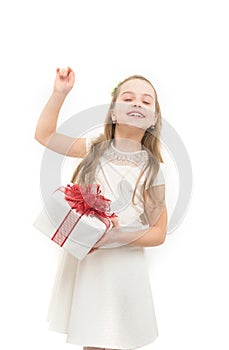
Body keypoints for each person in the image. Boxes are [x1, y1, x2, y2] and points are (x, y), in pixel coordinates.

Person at [34, 67, 168, 350]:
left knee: (122, 335)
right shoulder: (95, 147)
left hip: (124, 262)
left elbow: (158, 233)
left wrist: (115, 236)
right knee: (93, 334)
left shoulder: (152, 169)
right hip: (92, 261)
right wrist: (60, 93)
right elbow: (44, 135)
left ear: (154, 119)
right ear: (113, 113)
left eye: (146, 101)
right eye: (128, 98)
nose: (136, 103)